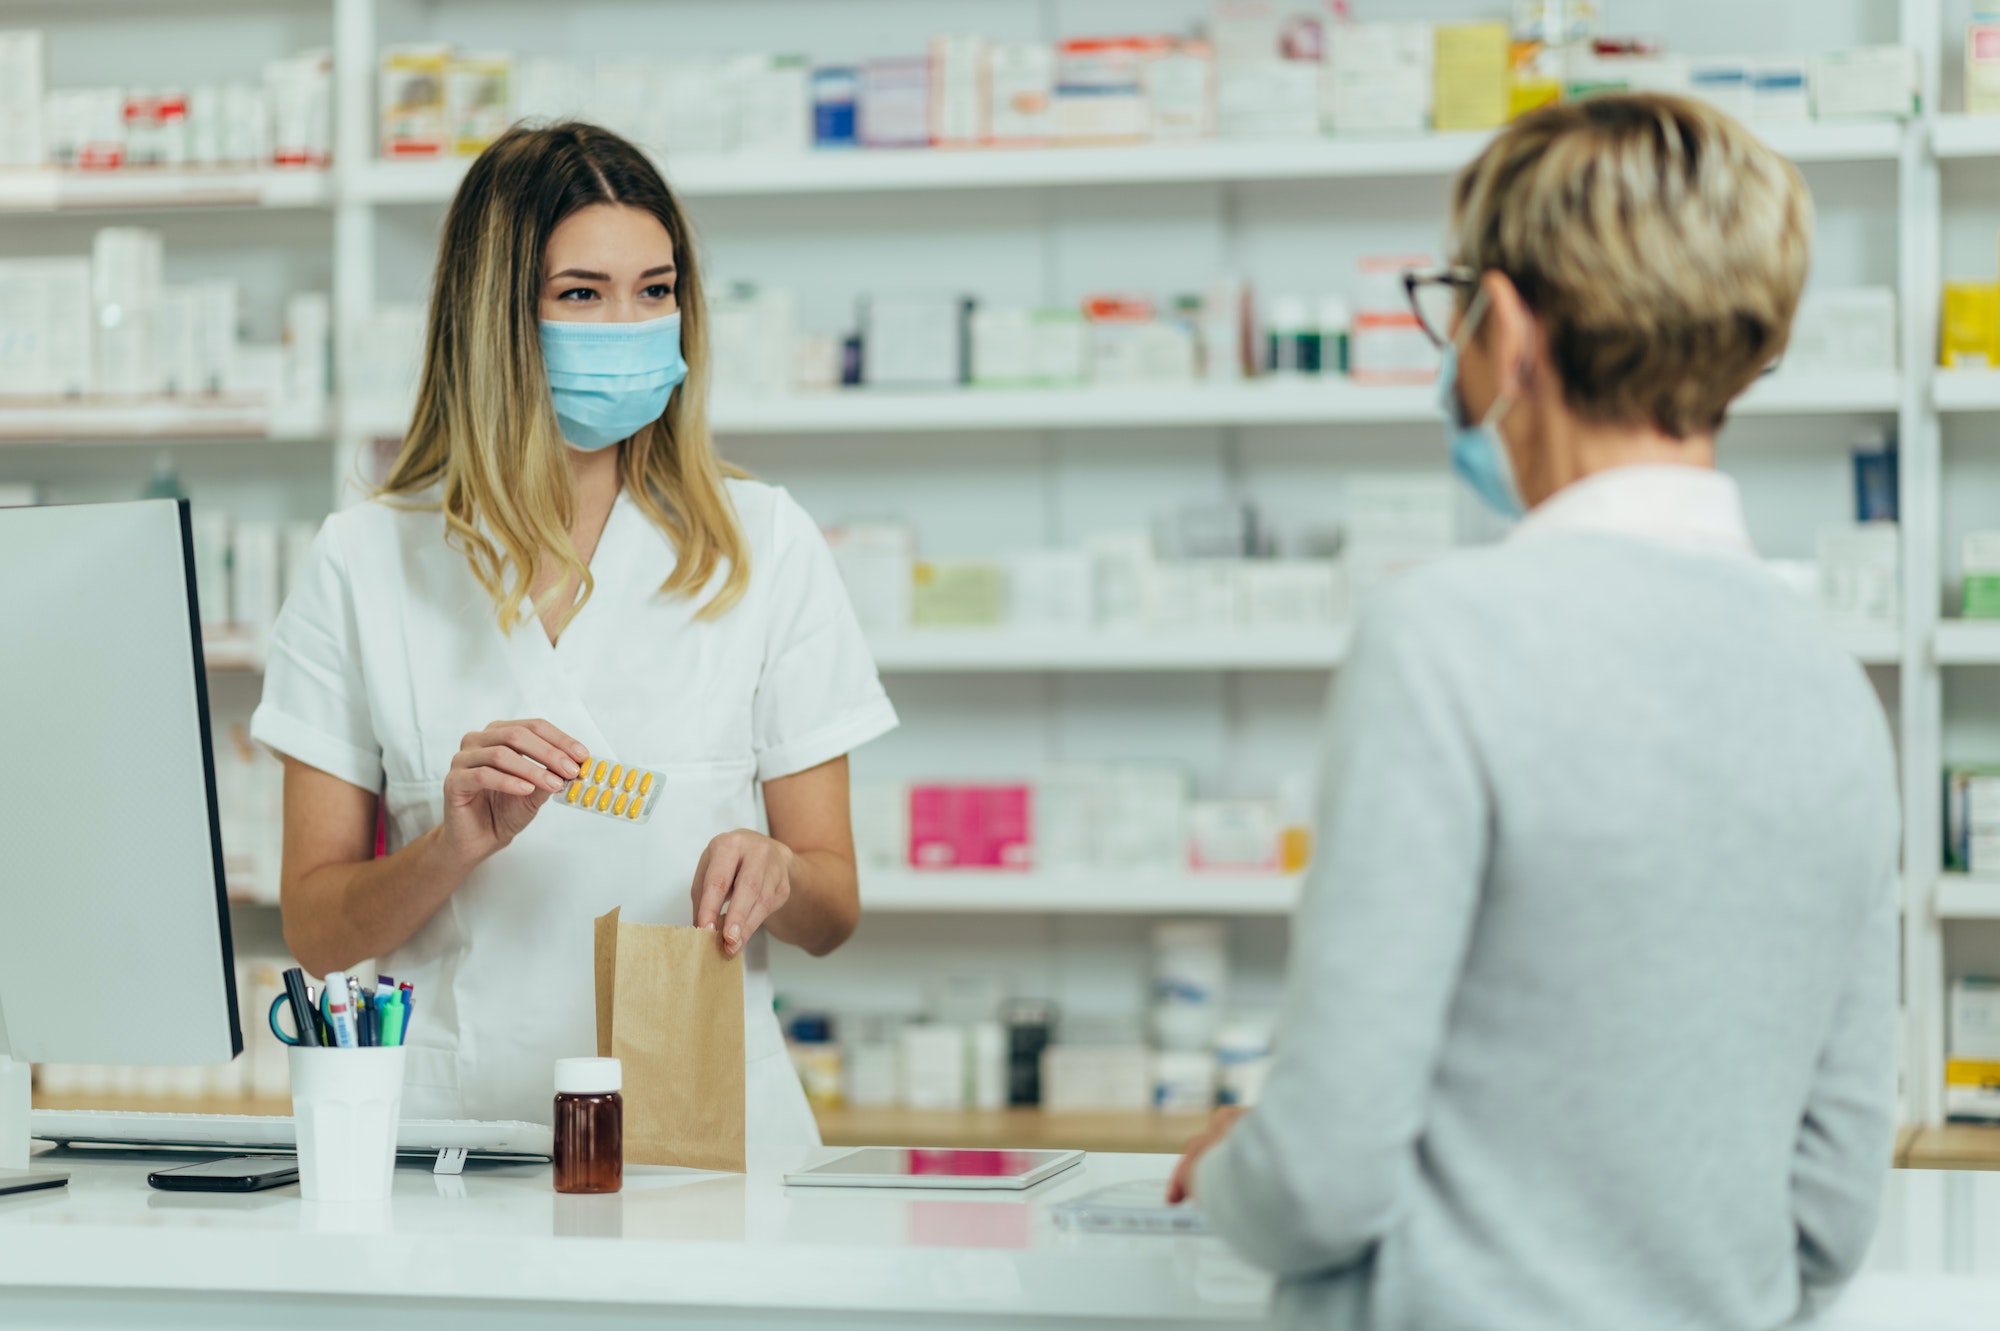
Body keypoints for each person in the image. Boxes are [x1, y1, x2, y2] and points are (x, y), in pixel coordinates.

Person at [1168, 94, 1899, 1329]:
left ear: (1503, 326)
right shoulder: (1830, 687)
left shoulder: (1445, 641)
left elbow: (1323, 1178)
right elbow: (1827, 1218)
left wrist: (1238, 1165)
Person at [249, 122, 897, 1169]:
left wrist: (779, 868)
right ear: (495, 316)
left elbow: (834, 907)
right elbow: (320, 929)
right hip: (459, 1143)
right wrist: (449, 844)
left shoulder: (760, 542)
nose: (631, 324)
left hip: (707, 1144)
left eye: (656, 289)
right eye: (582, 294)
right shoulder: (364, 560)